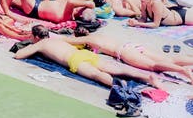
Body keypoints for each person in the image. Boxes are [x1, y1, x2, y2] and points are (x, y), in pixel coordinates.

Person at [12, 24, 158, 88]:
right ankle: (146, 77)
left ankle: (121, 86)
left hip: (74, 59)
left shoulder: (40, 44)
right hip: (82, 53)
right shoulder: (57, 39)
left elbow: (18, 55)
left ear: (36, 37)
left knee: (96, 75)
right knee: (114, 68)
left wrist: (31, 46)